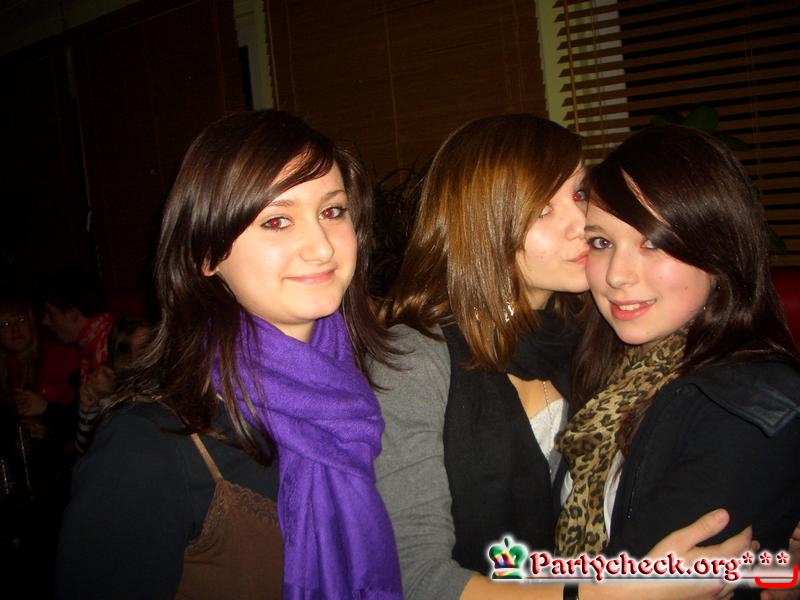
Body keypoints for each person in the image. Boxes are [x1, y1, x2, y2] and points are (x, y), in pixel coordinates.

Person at [371, 113, 750, 600]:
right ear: (481, 226)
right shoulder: (415, 358)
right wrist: (611, 594)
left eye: (578, 194)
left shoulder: (598, 332)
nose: (582, 224)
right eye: (542, 210)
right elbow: (415, 577)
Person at [54, 110, 402, 599]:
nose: (322, 248)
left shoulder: (360, 392)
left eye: (332, 211)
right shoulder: (148, 445)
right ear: (206, 254)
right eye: (277, 220)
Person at [558, 125, 800, 595]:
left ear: (719, 252)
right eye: (602, 243)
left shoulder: (746, 410)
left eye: (654, 242)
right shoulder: (615, 371)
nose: (617, 276)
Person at [0, 287, 81, 461]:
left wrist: (46, 414)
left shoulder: (63, 355)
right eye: (5, 324)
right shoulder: (7, 370)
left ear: (32, 322)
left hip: (71, 454)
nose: (15, 329)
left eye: (21, 320)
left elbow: (81, 417)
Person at [74, 315, 153, 454]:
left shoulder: (169, 381)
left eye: (154, 342)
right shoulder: (107, 388)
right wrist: (90, 407)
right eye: (143, 350)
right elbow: (85, 450)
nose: (153, 352)